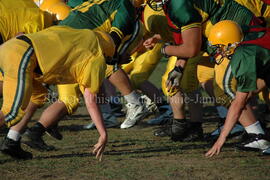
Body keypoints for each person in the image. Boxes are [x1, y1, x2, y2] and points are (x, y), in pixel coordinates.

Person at [143, 0, 269, 142]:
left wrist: (164, 49)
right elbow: (188, 42)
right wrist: (179, 66)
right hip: (226, 39)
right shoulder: (174, 5)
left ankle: (257, 135)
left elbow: (191, 49)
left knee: (225, 89)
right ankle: (245, 125)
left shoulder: (179, 4)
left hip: (237, 38)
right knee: (211, 79)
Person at [0, 25, 113, 160]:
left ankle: (12, 141)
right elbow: (90, 99)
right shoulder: (96, 56)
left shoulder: (76, 33)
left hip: (13, 48)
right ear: (105, 53)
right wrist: (103, 133)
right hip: (23, 55)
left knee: (39, 96)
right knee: (11, 112)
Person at [205, 20, 270, 157]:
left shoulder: (243, 56)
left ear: (230, 44)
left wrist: (221, 138)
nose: (219, 52)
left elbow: (237, 104)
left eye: (220, 47)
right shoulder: (250, 40)